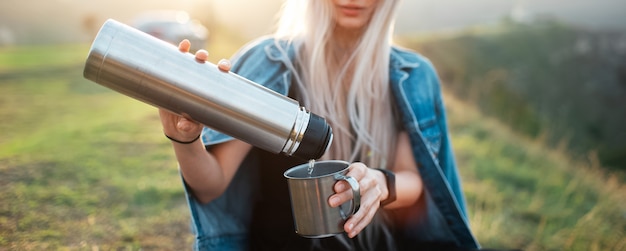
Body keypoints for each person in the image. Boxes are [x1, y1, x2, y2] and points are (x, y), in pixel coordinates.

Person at [158, 0, 480, 250]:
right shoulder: (268, 63)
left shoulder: (414, 75)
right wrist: (183, 139)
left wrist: (378, 183)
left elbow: (413, 180)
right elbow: (211, 184)